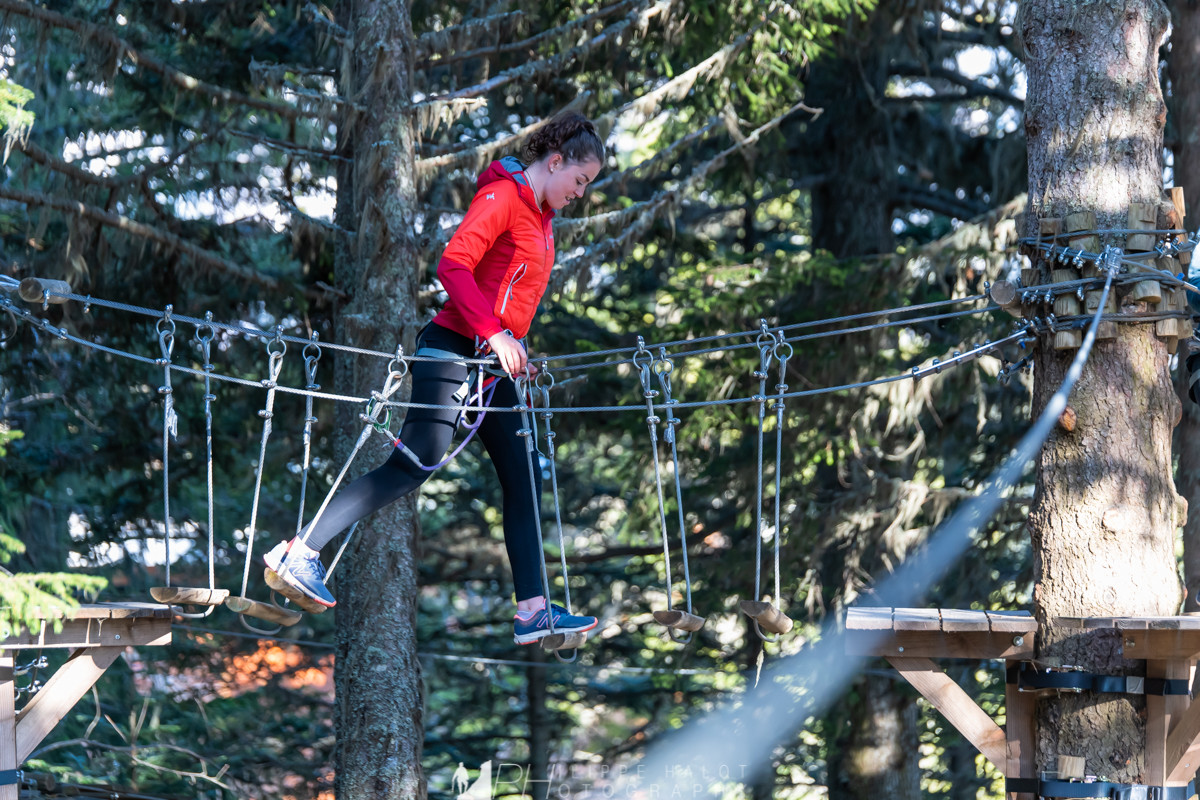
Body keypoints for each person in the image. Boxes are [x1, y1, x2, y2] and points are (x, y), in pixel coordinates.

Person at [262, 112, 605, 645]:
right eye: (579, 180)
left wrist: (512, 346)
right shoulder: (503, 197)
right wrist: (494, 334)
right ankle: (299, 551)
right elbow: (454, 265)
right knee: (413, 464)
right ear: (555, 161)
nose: (581, 192)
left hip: (493, 369)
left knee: (522, 479)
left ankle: (533, 610)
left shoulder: (540, 217)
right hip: (452, 349)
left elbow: (505, 293)